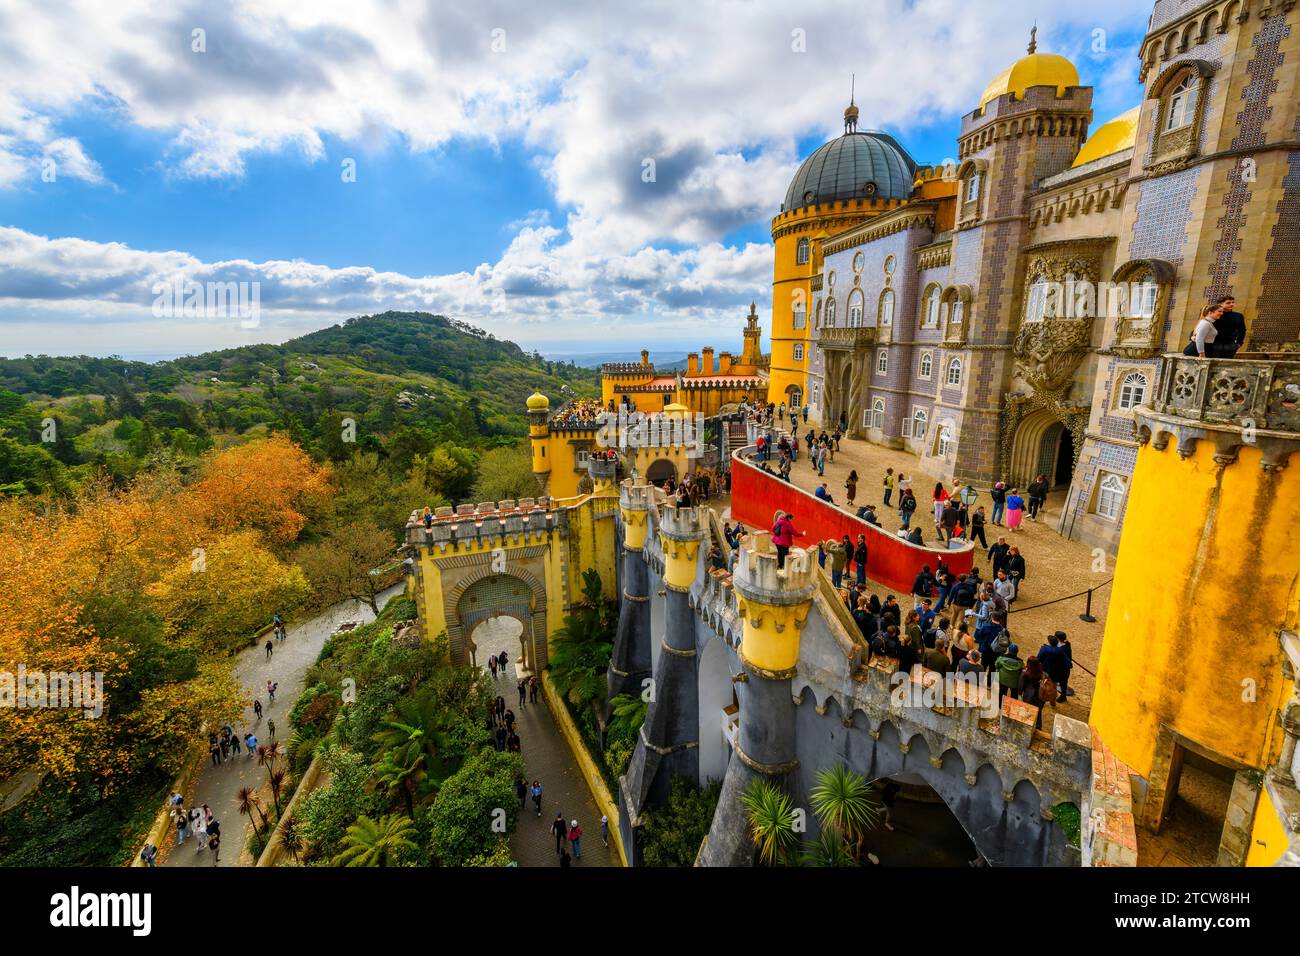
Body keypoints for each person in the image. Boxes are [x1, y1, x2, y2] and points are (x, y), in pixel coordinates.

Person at [1019, 655, 1046, 730]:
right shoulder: (1043, 673)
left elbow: (1021, 686)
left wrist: (1020, 693)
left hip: (1029, 697)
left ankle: (1027, 726)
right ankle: (1038, 726)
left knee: (1028, 711)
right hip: (1040, 697)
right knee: (1038, 711)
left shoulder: (1026, 674)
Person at [1056, 631, 1075, 699]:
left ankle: (1063, 696)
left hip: (1062, 669)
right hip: (1063, 668)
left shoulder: (1062, 648)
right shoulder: (1066, 644)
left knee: (1063, 683)